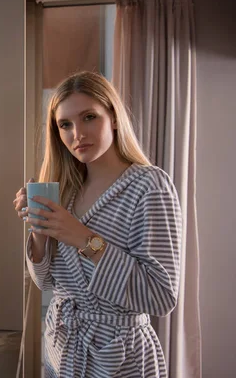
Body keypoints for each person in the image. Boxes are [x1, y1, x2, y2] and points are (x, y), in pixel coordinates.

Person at [13, 71, 182, 378]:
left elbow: (161, 296)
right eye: (65, 124)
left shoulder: (150, 186)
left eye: (89, 117)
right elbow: (48, 284)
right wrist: (40, 229)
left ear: (114, 117)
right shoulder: (68, 189)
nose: (77, 133)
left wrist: (83, 238)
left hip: (120, 360)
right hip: (62, 349)